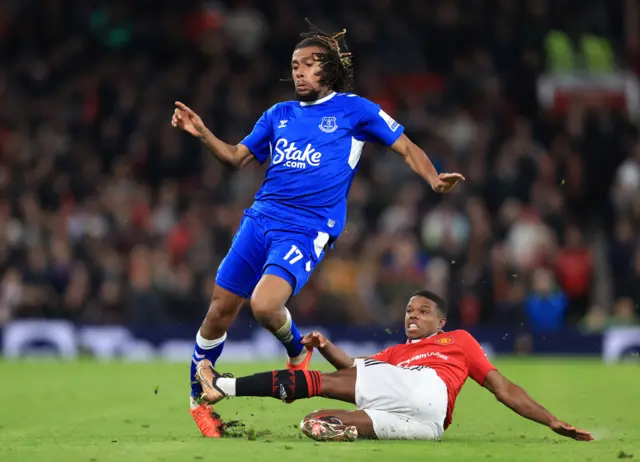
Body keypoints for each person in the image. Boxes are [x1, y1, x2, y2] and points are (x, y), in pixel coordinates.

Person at [171, 20, 465, 437]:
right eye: (294, 65)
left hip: (307, 227)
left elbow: (405, 146)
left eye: (308, 64)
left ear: (328, 69)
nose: (299, 72)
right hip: (261, 218)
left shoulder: (355, 110)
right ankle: (199, 403)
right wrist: (202, 133)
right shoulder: (279, 114)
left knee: (265, 306)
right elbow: (236, 157)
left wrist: (433, 178)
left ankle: (294, 349)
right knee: (219, 309)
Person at [194, 290, 594, 442]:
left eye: (423, 311)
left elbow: (503, 387)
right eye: (407, 310)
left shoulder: (458, 341)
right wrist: (328, 345)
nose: (412, 315)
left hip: (428, 389)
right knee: (315, 419)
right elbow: (353, 367)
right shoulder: (394, 355)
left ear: (441, 322)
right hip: (428, 425)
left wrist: (550, 419)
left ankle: (222, 388)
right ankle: (344, 428)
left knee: (317, 381)